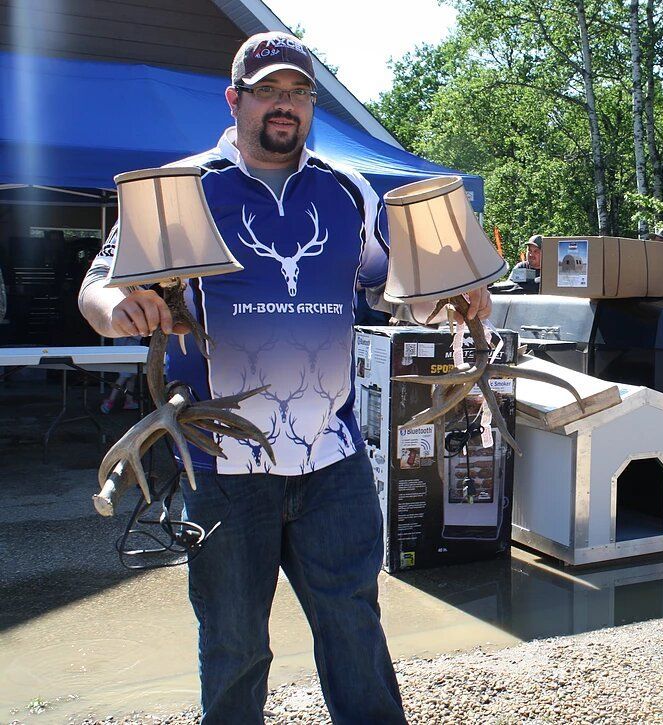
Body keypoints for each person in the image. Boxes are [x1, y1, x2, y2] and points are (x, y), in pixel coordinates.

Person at [78, 31, 491, 723]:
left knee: (354, 629)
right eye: (268, 90)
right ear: (234, 99)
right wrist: (118, 307)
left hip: (333, 459)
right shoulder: (180, 190)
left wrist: (452, 296)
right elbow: (97, 286)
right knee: (234, 645)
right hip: (222, 466)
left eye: (298, 92)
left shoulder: (348, 190)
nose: (284, 104)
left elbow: (391, 288)